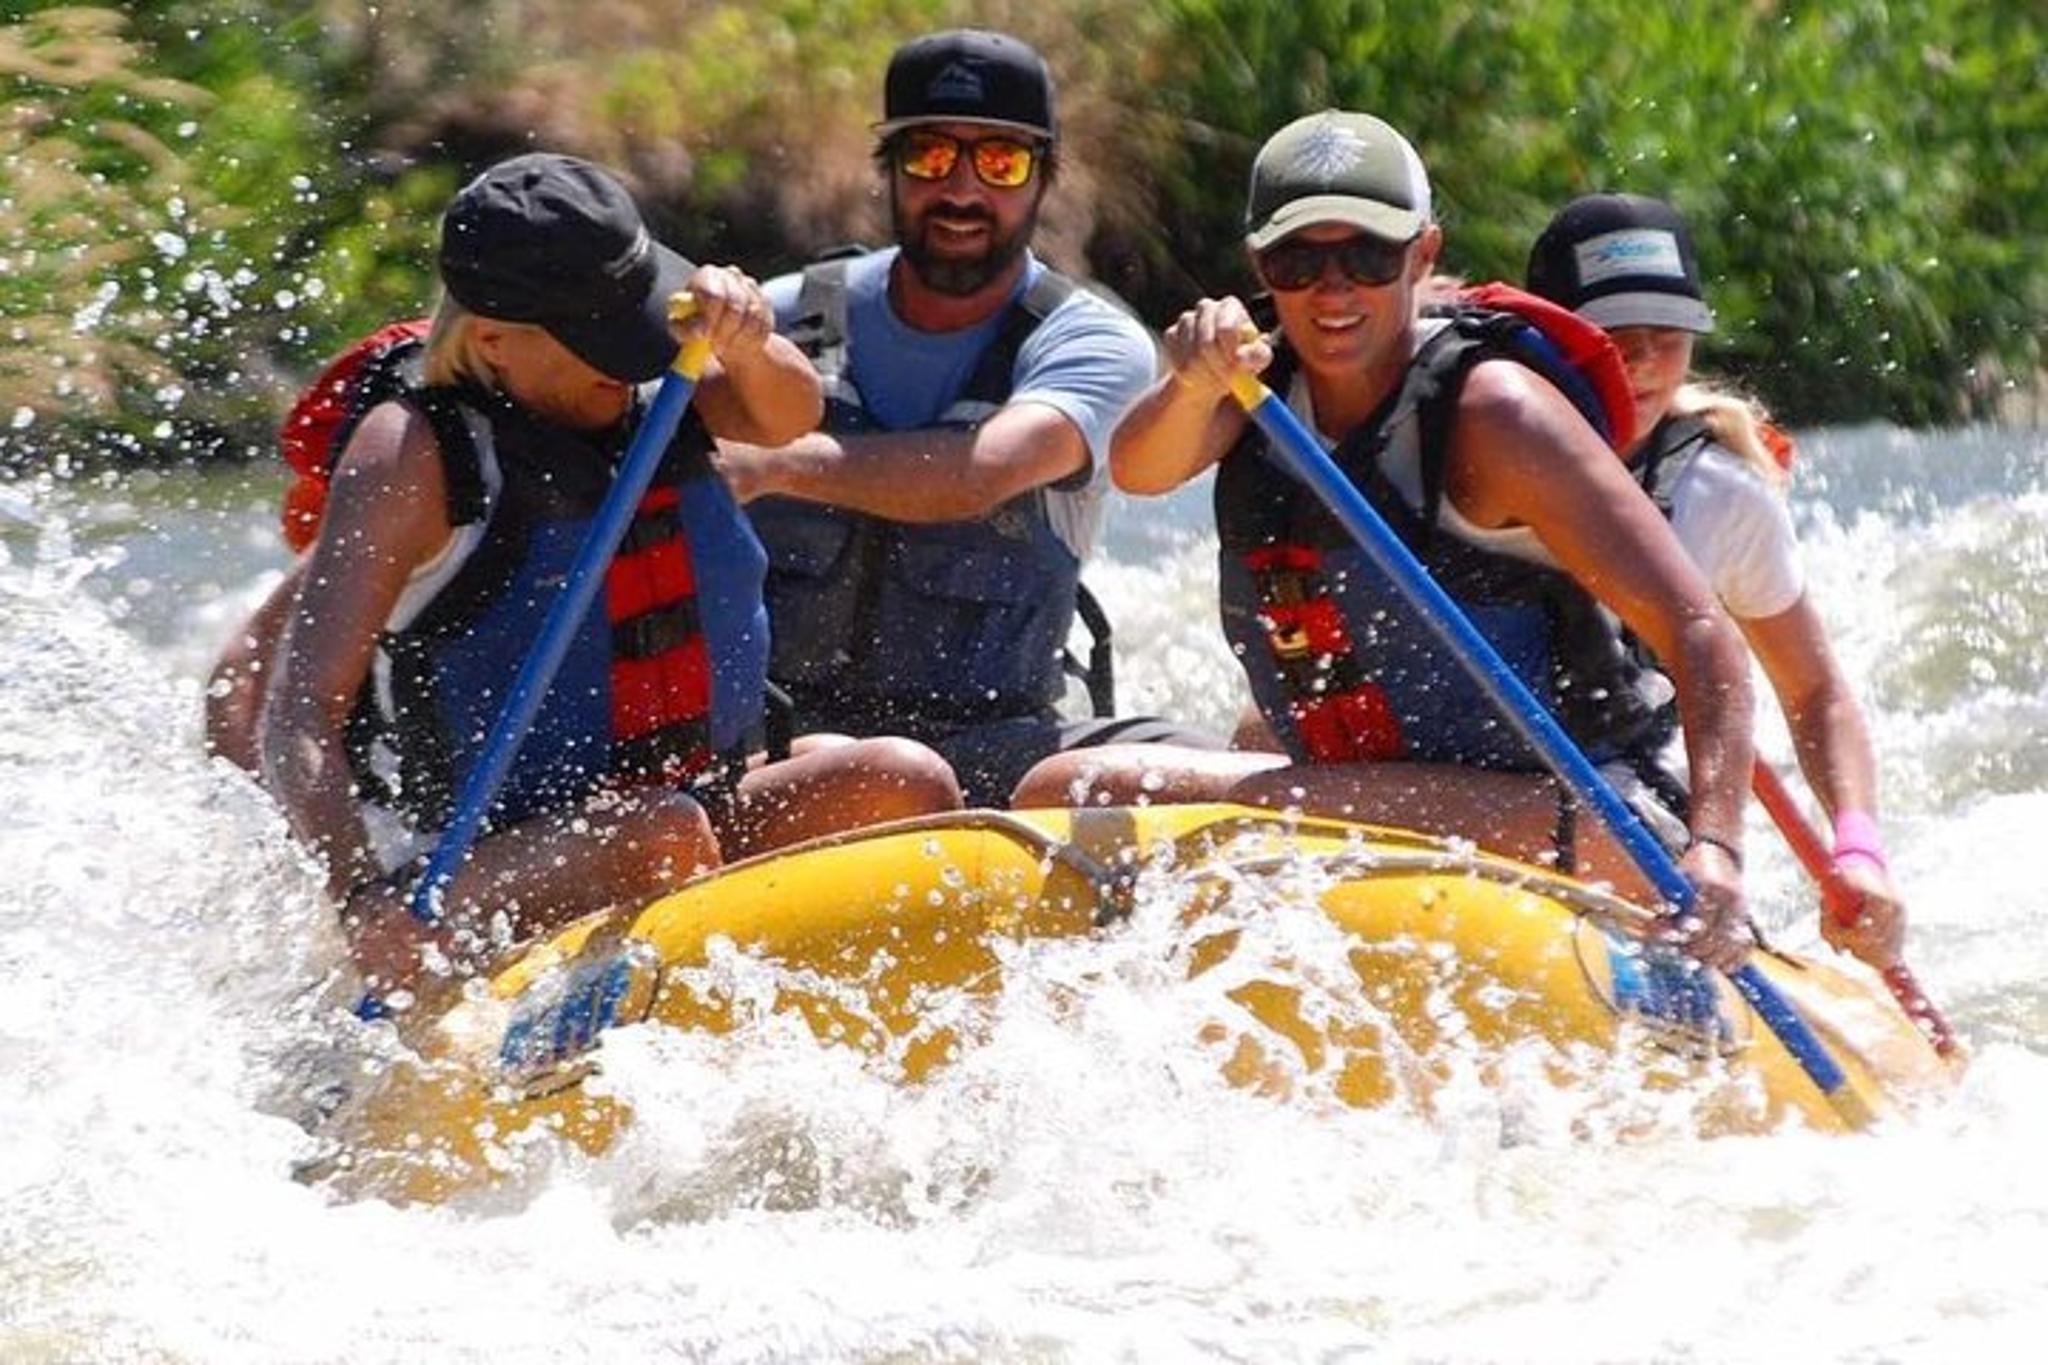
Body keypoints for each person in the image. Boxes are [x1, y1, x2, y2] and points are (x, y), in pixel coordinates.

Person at [1013, 110, 1761, 970]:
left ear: (1422, 255)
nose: (1333, 290)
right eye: (1299, 260)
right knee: (1091, 781)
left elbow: (1700, 630)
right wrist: (1189, 382)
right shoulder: (1248, 389)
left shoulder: (1498, 415)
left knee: (1171, 791)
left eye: (1368, 256)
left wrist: (1718, 848)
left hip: (1586, 811)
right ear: (1261, 267)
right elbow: (1139, 467)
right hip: (1378, 787)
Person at [247, 153, 959, 997]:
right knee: (659, 837)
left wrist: (751, 343)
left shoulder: (664, 381)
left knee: (902, 778)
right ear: (492, 340)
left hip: (687, 801)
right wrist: (361, 898)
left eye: (634, 320)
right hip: (491, 864)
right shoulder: (412, 455)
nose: (630, 360)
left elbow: (789, 415)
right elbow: (298, 708)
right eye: (600, 341)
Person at [712, 29, 1221, 808]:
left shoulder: (1092, 341)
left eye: (1001, 162)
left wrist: (774, 466)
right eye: (929, 156)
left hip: (998, 753)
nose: (960, 189)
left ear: (1043, 178)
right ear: (889, 168)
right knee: (886, 775)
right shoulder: (773, 325)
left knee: (1211, 762)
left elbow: (982, 471)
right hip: (780, 754)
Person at [1526, 192, 1905, 969]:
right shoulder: (1468, 437)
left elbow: (1815, 693)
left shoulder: (1721, 495)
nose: (1641, 363)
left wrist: (1859, 849)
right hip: (1488, 773)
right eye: (1613, 336)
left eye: (1665, 336)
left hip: (1627, 806)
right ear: (1548, 337)